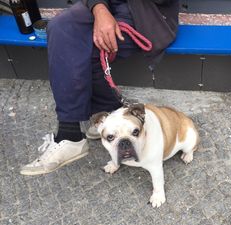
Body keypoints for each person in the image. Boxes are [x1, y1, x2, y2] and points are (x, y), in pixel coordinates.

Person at [20, 0, 179, 175]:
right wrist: (99, 8)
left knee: (88, 47)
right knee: (60, 26)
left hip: (147, 11)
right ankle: (75, 131)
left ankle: (87, 122)